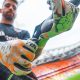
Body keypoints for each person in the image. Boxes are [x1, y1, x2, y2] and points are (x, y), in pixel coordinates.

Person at [0, 0, 80, 80]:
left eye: (14, 7)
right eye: (7, 5)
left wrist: (43, 36)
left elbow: (30, 56)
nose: (11, 8)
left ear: (16, 12)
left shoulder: (23, 33)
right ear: (1, 10)